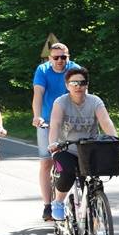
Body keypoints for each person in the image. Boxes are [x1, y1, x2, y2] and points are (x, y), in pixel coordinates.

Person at [47, 67, 117, 226]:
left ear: (87, 85)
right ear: (67, 85)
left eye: (82, 83)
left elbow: (106, 122)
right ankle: (58, 202)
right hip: (66, 148)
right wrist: (53, 143)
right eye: (74, 83)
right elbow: (55, 124)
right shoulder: (61, 102)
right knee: (67, 173)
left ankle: (95, 214)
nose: (78, 86)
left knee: (95, 181)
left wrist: (114, 140)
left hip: (89, 149)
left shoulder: (95, 101)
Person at [32, 42, 80, 221]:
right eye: (56, 57)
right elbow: (38, 94)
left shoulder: (75, 69)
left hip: (69, 121)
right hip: (47, 120)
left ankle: (76, 200)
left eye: (63, 57)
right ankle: (47, 205)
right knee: (46, 162)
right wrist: (37, 116)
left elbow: (82, 94)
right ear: (49, 58)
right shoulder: (43, 70)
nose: (60, 60)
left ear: (68, 57)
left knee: (78, 159)